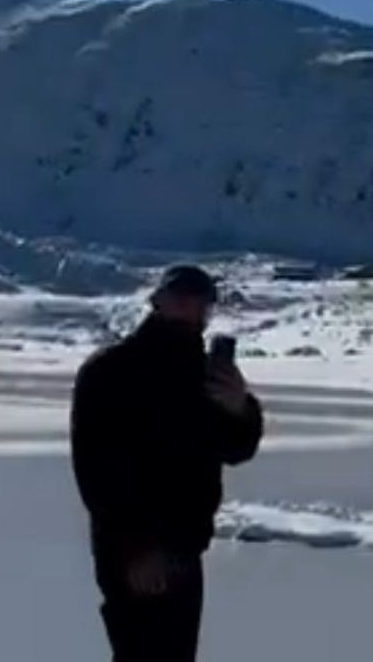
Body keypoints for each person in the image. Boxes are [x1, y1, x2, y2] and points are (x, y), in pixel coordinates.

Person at [71, 265, 263, 661]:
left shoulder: (203, 377)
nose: (191, 307)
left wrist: (240, 408)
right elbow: (97, 472)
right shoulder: (111, 371)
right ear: (157, 301)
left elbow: (236, 449)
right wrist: (136, 549)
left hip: (184, 549)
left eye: (201, 301)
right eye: (180, 297)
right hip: (131, 554)